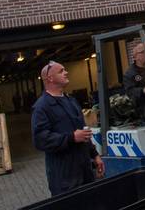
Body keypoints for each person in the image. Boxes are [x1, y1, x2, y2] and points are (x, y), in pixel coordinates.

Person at [32, 61, 104, 196]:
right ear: (50, 78)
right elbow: (40, 139)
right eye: (61, 71)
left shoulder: (71, 101)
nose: (66, 72)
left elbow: (83, 132)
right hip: (64, 175)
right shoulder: (42, 107)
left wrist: (95, 155)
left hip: (84, 171)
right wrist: (71, 138)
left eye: (65, 69)